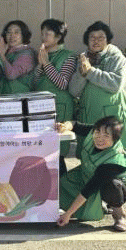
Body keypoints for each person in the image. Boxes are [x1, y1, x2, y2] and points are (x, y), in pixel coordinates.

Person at [57, 116, 126, 232]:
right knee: (62, 184)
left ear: (115, 138)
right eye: (98, 132)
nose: (100, 138)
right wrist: (65, 126)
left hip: (120, 188)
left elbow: (89, 188)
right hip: (88, 173)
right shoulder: (94, 131)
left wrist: (68, 214)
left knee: (112, 185)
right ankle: (97, 205)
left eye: (106, 136)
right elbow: (75, 125)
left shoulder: (114, 161)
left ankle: (119, 214)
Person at [69, 21, 126, 157]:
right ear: (86, 40)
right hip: (88, 116)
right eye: (92, 37)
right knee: (88, 153)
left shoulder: (117, 58)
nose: (96, 41)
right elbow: (74, 91)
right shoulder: (83, 60)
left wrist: (90, 72)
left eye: (101, 37)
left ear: (108, 40)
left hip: (112, 115)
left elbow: (116, 85)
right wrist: (82, 73)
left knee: (114, 154)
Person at [32, 19, 77, 175]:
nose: (43, 37)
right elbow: (35, 82)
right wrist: (40, 65)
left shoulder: (69, 56)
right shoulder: (42, 54)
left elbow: (62, 83)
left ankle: (61, 184)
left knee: (57, 149)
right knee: (42, 149)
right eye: (42, 33)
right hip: (41, 105)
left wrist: (46, 64)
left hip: (60, 106)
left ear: (58, 37)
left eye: (48, 34)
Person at [0, 20, 36, 94]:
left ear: (23, 35)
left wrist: (2, 55)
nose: (12, 36)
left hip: (20, 96)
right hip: (6, 94)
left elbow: (11, 75)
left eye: (16, 32)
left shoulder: (27, 54)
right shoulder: (7, 50)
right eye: (9, 32)